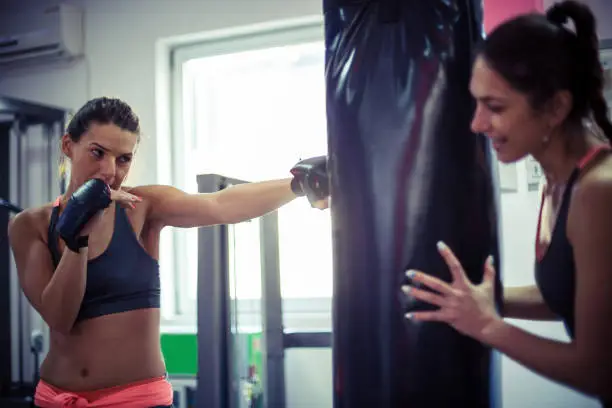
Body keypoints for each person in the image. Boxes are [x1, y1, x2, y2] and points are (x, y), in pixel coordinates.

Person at [7, 96, 329, 407]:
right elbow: (60, 318)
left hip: (136, 401)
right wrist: (77, 234)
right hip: (57, 399)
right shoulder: (30, 225)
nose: (109, 171)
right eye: (97, 152)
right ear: (68, 146)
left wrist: (297, 185)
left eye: (123, 159)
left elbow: (220, 205)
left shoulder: (141, 207)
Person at [401, 1, 612, 406]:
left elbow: (598, 369)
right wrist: (482, 299)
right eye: (476, 103)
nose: (477, 124)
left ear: (555, 108)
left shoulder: (598, 193)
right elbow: (567, 295)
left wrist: (487, 325)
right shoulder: (559, 183)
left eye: (495, 107)